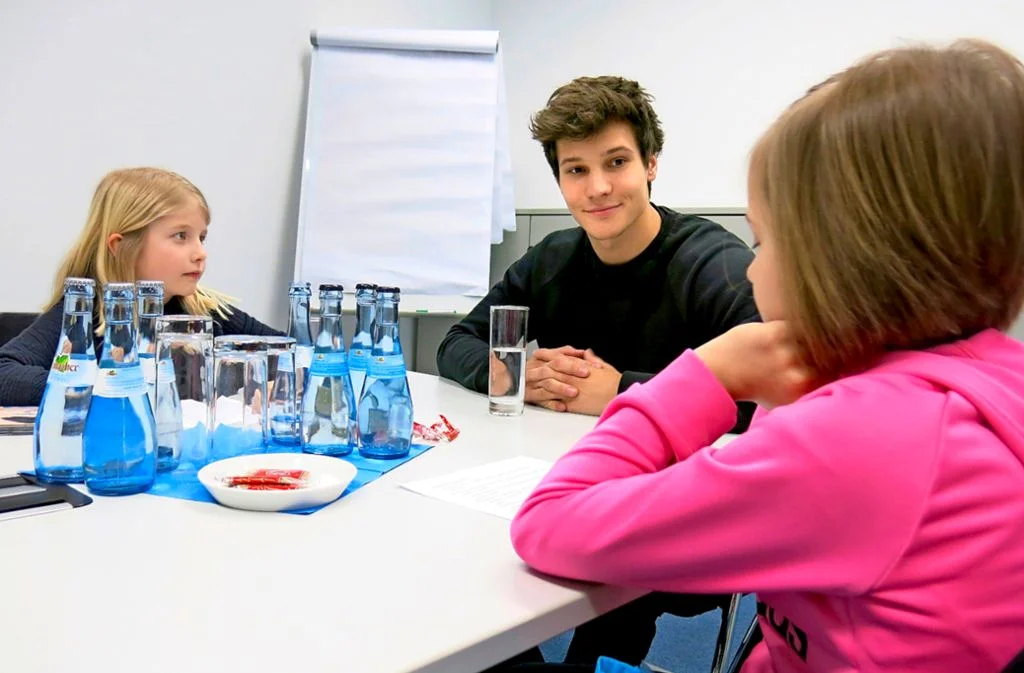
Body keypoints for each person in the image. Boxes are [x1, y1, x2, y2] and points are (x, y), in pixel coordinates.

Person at [508, 40, 1024, 673]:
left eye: (765, 238)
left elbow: (548, 523)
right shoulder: (988, 379)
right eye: (575, 170)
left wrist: (706, 372)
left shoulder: (856, 438)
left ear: (843, 256)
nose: (751, 267)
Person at [436, 75, 759, 421]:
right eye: (576, 169)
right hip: (556, 460)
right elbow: (456, 342)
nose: (598, 187)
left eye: (617, 162)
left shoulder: (715, 263)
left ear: (650, 163)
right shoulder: (550, 259)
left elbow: (765, 397)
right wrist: (510, 376)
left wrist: (622, 392)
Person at [0, 167, 282, 405]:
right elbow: (5, 372)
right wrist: (105, 389)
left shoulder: (205, 309)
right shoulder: (84, 315)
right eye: (181, 236)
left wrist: (278, 383)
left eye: (202, 237)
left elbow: (291, 352)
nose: (200, 253)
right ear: (122, 247)